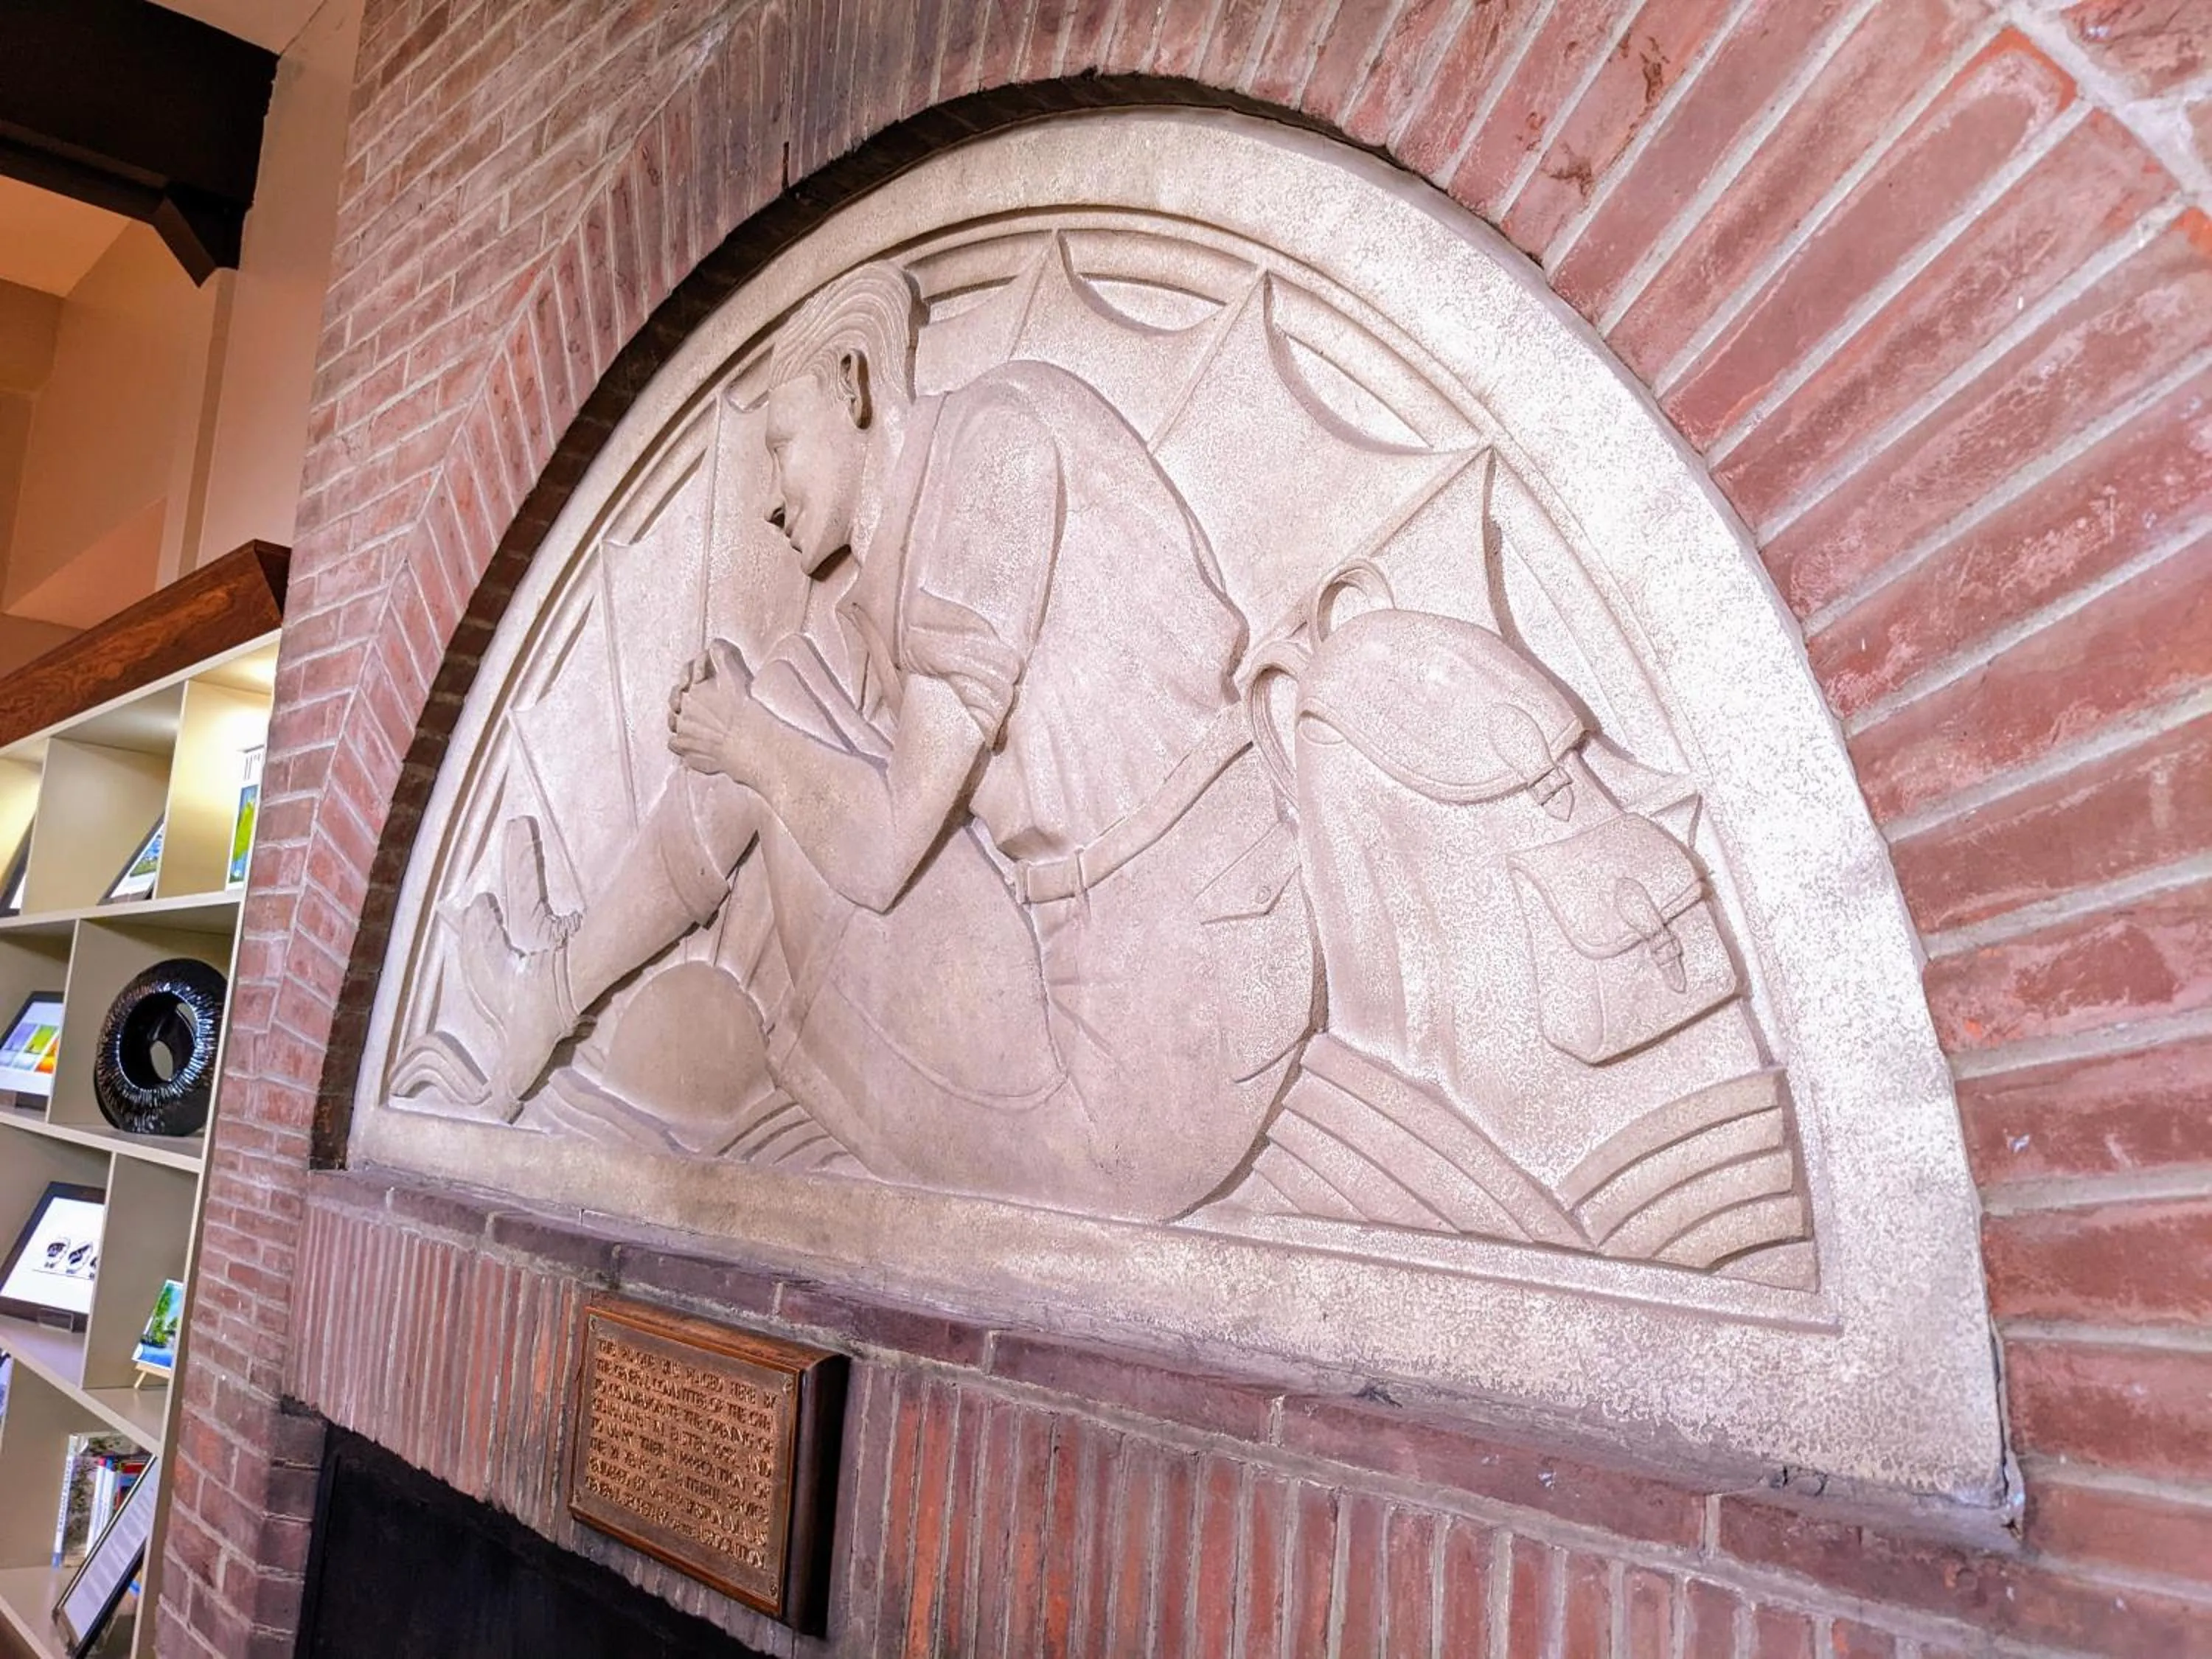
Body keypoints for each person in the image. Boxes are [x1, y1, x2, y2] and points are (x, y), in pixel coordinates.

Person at [457, 262, 1312, 1220]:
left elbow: (881, 848)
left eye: (781, 447)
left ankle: (548, 997)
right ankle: (555, 986)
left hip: (1134, 1089)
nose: (771, 500)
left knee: (776, 713)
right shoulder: (936, 520)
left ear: (855, 380)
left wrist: (742, 736)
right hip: (1167, 1018)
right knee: (785, 707)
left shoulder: (993, 452)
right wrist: (748, 735)